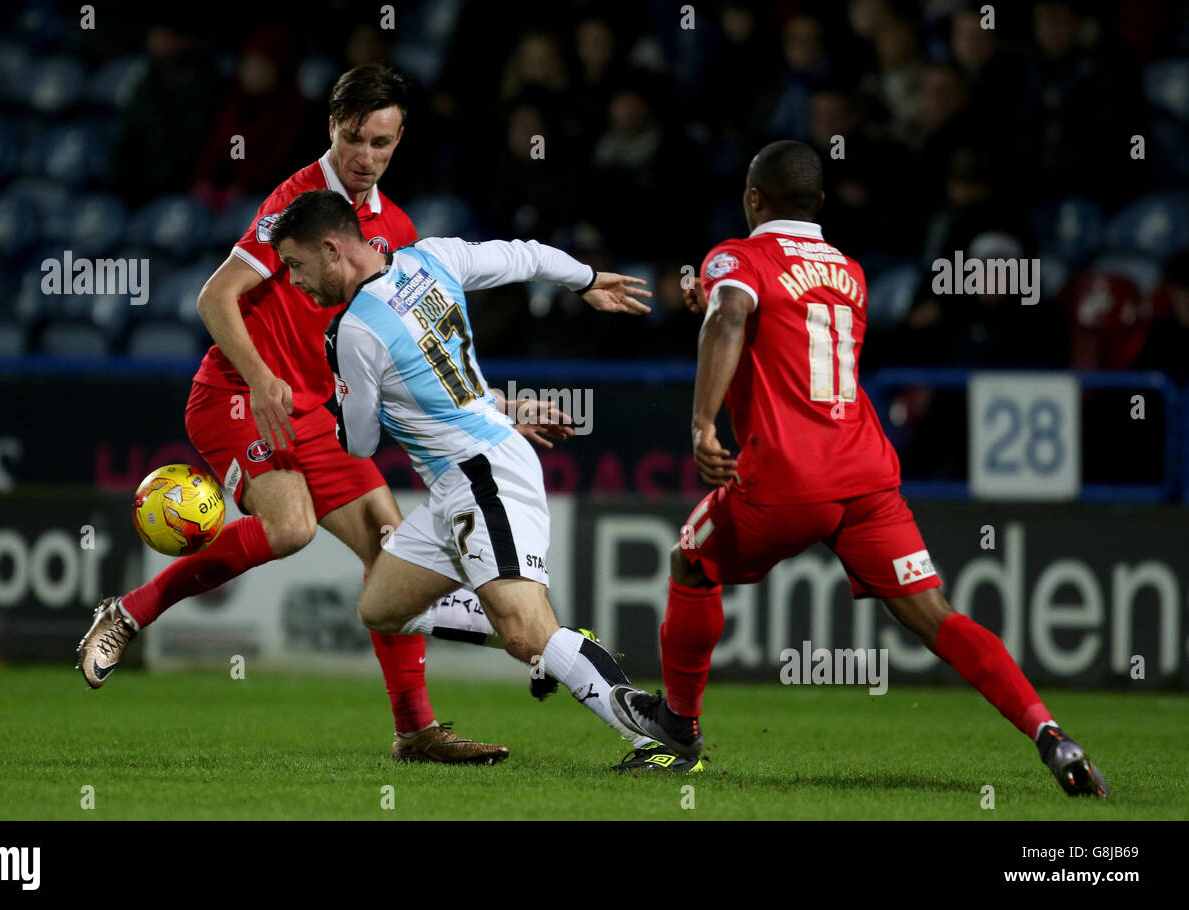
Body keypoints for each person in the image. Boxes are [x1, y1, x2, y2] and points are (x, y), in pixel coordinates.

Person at [78, 65, 564, 765]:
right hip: (240, 395)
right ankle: (128, 613)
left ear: (399, 140)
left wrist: (496, 407)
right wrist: (263, 377)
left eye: (381, 143)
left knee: (390, 551)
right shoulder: (295, 202)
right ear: (330, 127)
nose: (364, 157)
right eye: (352, 138)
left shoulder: (395, 227)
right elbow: (215, 299)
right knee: (290, 526)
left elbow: (420, 348)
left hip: (317, 412)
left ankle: (415, 732)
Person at [610, 140, 1107, 797]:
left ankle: (679, 726)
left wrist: (703, 423)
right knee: (937, 616)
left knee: (689, 563)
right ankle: (1050, 734)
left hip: (785, 478)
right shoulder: (850, 270)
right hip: (867, 477)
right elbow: (776, 326)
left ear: (755, 199)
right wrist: (719, 305)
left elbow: (735, 314)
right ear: (819, 203)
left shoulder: (738, 255)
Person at [268, 189, 699, 773]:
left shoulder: (352, 332)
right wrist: (586, 279)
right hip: (460, 479)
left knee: (527, 635)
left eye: (295, 265)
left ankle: (665, 739)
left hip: (481, 476)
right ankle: (548, 636)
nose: (294, 282)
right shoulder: (432, 257)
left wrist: (337, 399)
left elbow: (361, 443)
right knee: (381, 607)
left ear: (330, 249)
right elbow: (525, 256)